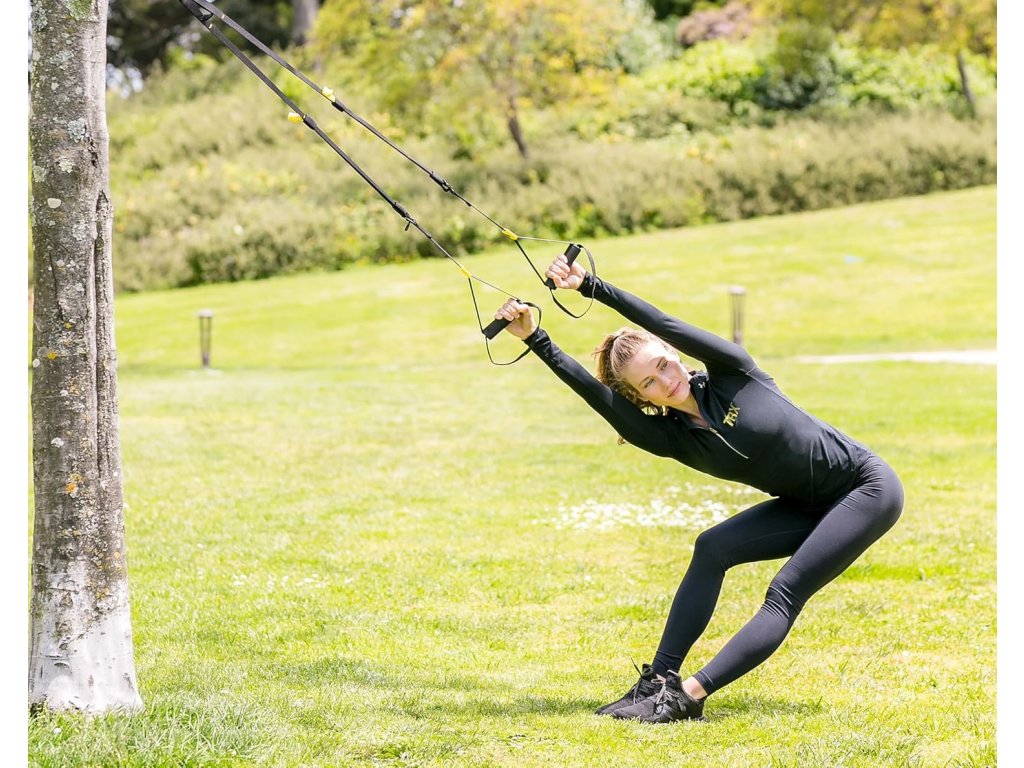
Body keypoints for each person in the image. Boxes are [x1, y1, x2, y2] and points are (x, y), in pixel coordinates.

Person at [492, 253, 904, 724]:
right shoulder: (670, 437)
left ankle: (687, 697)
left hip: (866, 487)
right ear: (639, 396)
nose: (666, 382)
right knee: (712, 547)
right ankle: (658, 681)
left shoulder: (734, 373)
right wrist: (535, 338)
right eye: (649, 383)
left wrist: (590, 286)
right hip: (805, 505)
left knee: (784, 591)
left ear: (674, 354)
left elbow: (662, 321)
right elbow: (595, 394)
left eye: (664, 365)